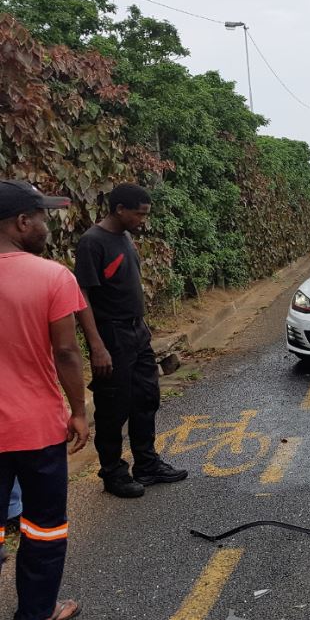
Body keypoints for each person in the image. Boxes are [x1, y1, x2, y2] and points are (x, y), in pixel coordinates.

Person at [0, 179, 87, 620]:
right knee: (43, 526)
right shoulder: (52, 275)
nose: (47, 227)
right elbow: (67, 352)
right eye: (42, 218)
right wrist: (80, 412)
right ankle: (36, 612)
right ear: (21, 222)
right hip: (36, 430)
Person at [74, 183, 187, 498]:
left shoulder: (124, 238)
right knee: (113, 406)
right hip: (111, 334)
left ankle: (147, 465)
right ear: (120, 209)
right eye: (139, 214)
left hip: (137, 332)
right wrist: (97, 345)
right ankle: (113, 473)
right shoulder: (92, 242)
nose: (143, 220)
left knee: (146, 398)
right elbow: (81, 296)